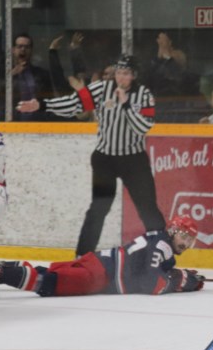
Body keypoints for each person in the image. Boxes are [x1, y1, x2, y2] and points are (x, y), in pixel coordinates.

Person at [16, 55, 165, 257]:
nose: (121, 77)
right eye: (119, 72)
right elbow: (74, 103)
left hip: (134, 160)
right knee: (98, 208)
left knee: (147, 208)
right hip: (105, 160)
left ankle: (163, 252)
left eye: (127, 73)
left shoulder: (143, 94)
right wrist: (42, 105)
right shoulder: (101, 89)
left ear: (134, 76)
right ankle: (83, 256)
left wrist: (127, 105)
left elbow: (143, 128)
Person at [0, 216, 203, 297]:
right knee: (50, 283)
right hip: (100, 275)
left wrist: (177, 274)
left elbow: (148, 269)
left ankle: (0, 266)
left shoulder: (159, 239)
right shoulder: (163, 245)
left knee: (50, 272)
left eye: (190, 240)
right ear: (173, 231)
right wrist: (180, 281)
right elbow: (151, 283)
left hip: (99, 262)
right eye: (184, 236)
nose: (186, 243)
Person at [11, 33, 57, 121]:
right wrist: (12, 75)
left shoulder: (42, 74)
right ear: (13, 50)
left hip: (37, 121)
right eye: (19, 46)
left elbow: (49, 99)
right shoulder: (2, 73)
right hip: (13, 121)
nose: (23, 50)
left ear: (31, 50)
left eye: (27, 47)